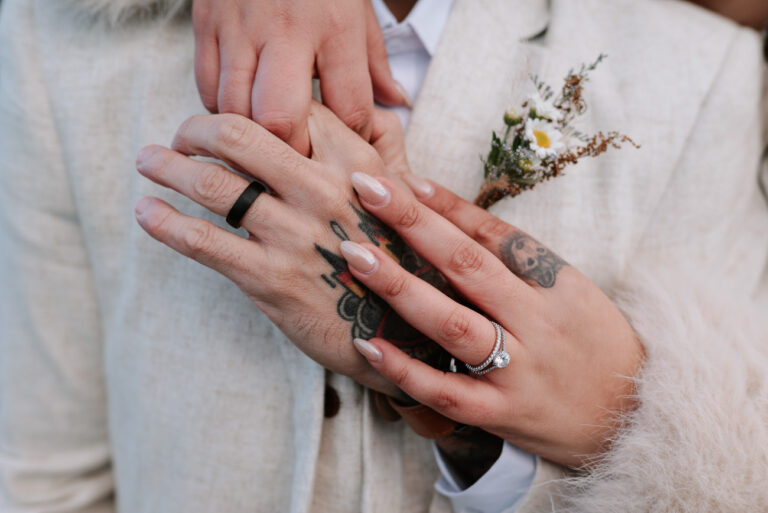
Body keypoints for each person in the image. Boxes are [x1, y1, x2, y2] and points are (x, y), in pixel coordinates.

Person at [1, 2, 767, 513]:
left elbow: (719, 472)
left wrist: (455, 380)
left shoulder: (700, 73)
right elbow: (44, 478)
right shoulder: (62, 48)